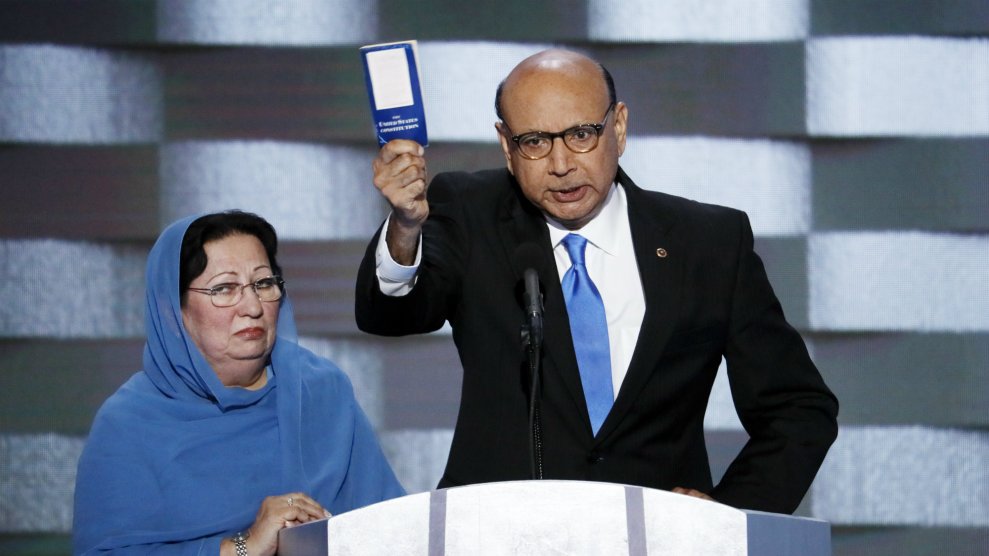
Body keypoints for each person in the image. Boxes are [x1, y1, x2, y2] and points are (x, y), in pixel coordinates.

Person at [355, 48, 838, 514]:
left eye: (581, 134)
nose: (561, 164)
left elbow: (797, 409)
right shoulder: (470, 211)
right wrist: (406, 228)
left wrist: (727, 517)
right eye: (535, 142)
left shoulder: (708, 242)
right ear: (506, 146)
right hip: (501, 535)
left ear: (619, 127)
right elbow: (392, 314)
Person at [74, 210, 404, 555]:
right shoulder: (128, 424)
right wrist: (242, 547)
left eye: (263, 284)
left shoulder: (321, 391)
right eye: (225, 288)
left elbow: (392, 528)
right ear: (172, 310)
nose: (252, 307)